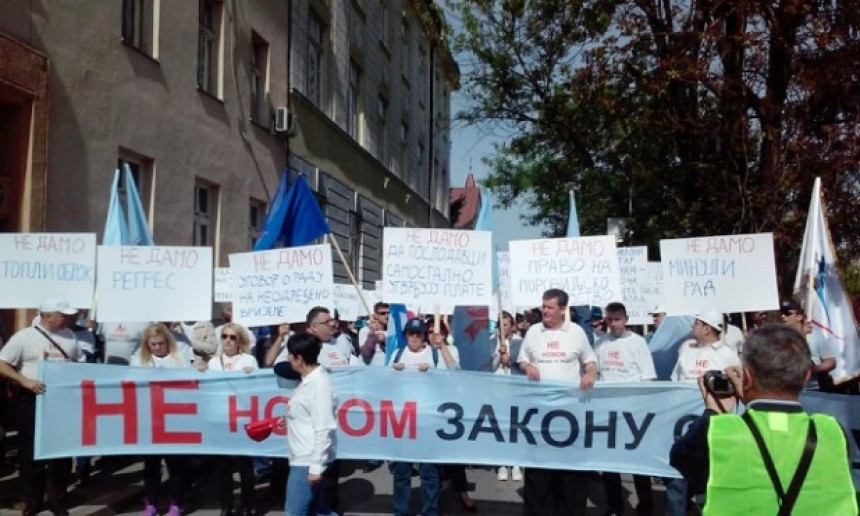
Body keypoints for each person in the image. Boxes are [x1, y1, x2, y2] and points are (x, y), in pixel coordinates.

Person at [670, 324, 857, 514]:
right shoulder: (834, 433)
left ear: (747, 376)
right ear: (806, 376)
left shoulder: (719, 433)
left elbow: (681, 459)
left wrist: (714, 410)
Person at [517, 289, 598, 515]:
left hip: (568, 417)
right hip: (539, 416)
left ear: (563, 309)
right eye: (543, 306)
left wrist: (590, 374)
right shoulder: (533, 331)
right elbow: (522, 360)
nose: (544, 311)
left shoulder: (576, 332)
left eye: (550, 307)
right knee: (538, 478)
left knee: (569, 479)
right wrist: (527, 366)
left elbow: (590, 362)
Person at [0, 298, 83, 515]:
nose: (68, 318)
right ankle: (31, 500)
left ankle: (58, 500)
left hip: (61, 400)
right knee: (30, 452)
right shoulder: (25, 337)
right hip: (31, 398)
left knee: (61, 452)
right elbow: (2, 363)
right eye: (62, 314)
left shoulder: (71, 337)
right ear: (48, 316)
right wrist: (24, 381)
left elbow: (78, 365)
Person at [667, 310, 741, 515]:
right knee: (676, 479)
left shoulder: (728, 355)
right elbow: (675, 383)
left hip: (712, 428)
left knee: (707, 482)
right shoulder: (686, 349)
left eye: (696, 324)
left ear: (707, 328)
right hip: (682, 427)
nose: (693, 327)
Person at [390, 317, 458, 516]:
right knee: (402, 471)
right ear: (405, 335)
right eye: (411, 333)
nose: (414, 337)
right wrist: (393, 372)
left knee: (429, 472)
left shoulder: (434, 354)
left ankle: (430, 511)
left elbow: (454, 372)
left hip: (428, 420)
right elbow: (384, 382)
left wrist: (433, 370)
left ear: (423, 336)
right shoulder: (397, 354)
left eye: (418, 334)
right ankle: (400, 511)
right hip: (403, 420)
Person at [594, 302, 656, 516]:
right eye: (609, 320)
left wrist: (642, 409)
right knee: (610, 464)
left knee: (638, 464)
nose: (613, 324)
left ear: (626, 319)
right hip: (608, 412)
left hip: (633, 413)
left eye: (617, 319)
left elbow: (648, 377)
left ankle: (646, 506)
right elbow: (598, 374)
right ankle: (615, 507)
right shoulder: (601, 343)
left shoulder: (638, 343)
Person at [131, 323, 194, 516]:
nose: (157, 348)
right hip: (149, 419)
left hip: (174, 419)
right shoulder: (138, 360)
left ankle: (175, 503)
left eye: (160, 344)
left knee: (176, 465)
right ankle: (151, 502)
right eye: (153, 344)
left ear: (168, 343)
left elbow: (189, 385)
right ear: (146, 345)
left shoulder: (179, 359)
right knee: (151, 465)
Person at [282, 333, 337, 516]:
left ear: (300, 358)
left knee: (295, 512)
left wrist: (315, 468)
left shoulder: (319, 386)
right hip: (305, 457)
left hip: (307, 460)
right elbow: (307, 414)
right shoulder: (309, 381)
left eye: (291, 354)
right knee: (317, 511)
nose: (288, 358)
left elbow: (323, 428)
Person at [208, 323, 258, 516]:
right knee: (223, 466)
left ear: (240, 340)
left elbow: (255, 388)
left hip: (241, 418)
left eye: (232, 337)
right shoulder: (213, 362)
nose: (228, 341)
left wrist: (249, 377)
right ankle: (226, 506)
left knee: (245, 465)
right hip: (220, 418)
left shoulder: (249, 360)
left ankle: (248, 505)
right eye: (224, 337)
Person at [492, 310, 524, 482]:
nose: (503, 329)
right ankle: (503, 463)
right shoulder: (491, 342)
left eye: (506, 325)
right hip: (497, 389)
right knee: (501, 426)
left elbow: (525, 365)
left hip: (516, 389)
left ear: (512, 326)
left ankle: (516, 463)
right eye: (500, 325)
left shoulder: (521, 343)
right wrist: (498, 355)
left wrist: (510, 360)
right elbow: (486, 367)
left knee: (516, 426)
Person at [781, 300, 836, 388]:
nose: (783, 316)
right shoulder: (780, 338)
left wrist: (814, 369)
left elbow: (831, 362)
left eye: (787, 313)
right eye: (781, 313)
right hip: (792, 390)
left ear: (799, 317)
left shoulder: (815, 335)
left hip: (816, 388)